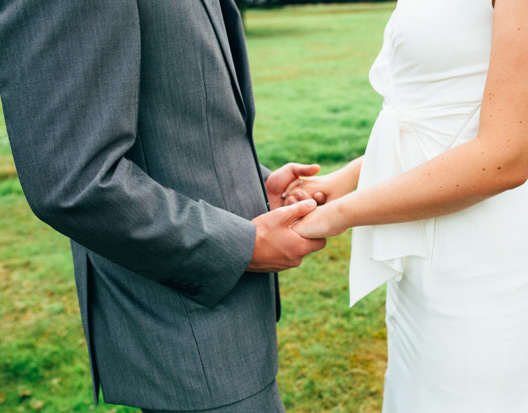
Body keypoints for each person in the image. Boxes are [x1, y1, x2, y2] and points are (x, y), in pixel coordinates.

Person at [0, 1, 326, 412]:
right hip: (182, 335)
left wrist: (255, 184)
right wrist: (242, 245)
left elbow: (182, 112)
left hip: (227, 334)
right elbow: (75, 180)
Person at [289, 0, 528, 411]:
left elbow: (504, 157)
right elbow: (439, 121)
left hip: (479, 251)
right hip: (419, 228)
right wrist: (346, 179)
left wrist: (339, 214)